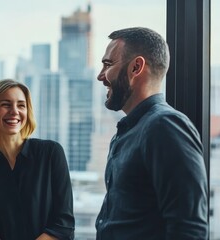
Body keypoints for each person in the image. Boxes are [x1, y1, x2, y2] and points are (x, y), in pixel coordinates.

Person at [95, 27, 208, 239]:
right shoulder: (131, 130)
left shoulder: (165, 126)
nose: (100, 76)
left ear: (136, 67)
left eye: (108, 64)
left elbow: (189, 228)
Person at [0, 79, 75, 240]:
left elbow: (64, 222)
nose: (15, 111)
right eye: (6, 104)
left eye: (21, 105)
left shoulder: (51, 153)